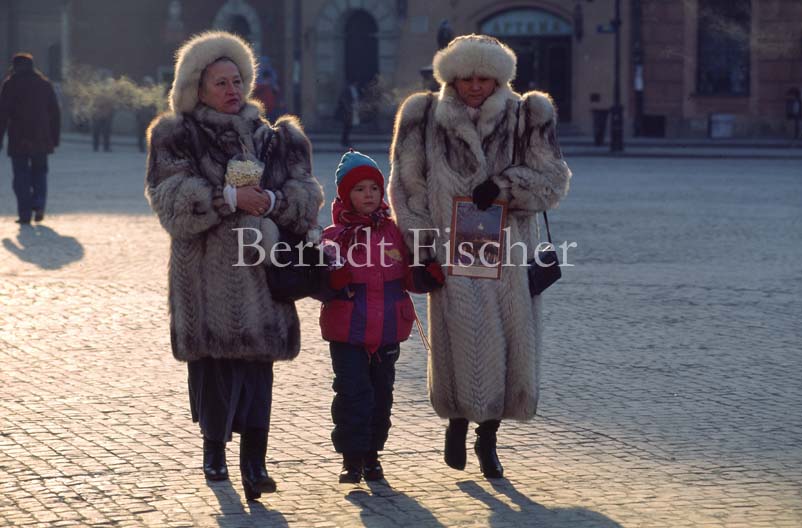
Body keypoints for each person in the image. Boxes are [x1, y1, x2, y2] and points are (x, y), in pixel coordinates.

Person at [144, 31, 323, 500]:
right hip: (205, 279)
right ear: (197, 88)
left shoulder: (273, 138)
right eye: (220, 82)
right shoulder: (176, 134)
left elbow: (306, 195)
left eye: (237, 80)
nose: (232, 90)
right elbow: (170, 201)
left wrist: (273, 201)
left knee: (258, 374)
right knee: (215, 373)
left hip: (262, 277)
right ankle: (214, 450)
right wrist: (227, 197)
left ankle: (256, 464)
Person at [388, 35, 572, 479]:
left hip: (507, 252)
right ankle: (456, 421)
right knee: (458, 339)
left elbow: (553, 180)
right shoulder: (424, 115)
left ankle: (488, 438)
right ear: (451, 78)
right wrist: (421, 250)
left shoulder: (527, 114)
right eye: (466, 78)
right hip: (449, 250)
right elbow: (407, 186)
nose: (475, 86)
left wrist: (505, 187)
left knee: (507, 343)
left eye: (484, 78)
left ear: (499, 79)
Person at [320, 150, 444, 484]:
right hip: (348, 331)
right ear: (345, 195)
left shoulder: (395, 233)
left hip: (388, 328)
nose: (369, 195)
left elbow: (409, 277)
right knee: (351, 393)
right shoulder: (333, 237)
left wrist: (428, 275)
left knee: (381, 395)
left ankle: (373, 455)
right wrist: (332, 281)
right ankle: (351, 459)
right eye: (359, 189)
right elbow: (318, 282)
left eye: (374, 188)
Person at [0, 53, 61, 224]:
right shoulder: (44, 84)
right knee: (40, 173)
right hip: (41, 137)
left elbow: (2, 114)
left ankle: (25, 213)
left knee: (21, 177)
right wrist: (54, 138)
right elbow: (55, 112)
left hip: (19, 137)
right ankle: (39, 204)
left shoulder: (10, 84)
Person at [335, 81, 359, 147]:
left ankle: (345, 140)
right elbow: (344, 100)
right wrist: (348, 107)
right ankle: (344, 141)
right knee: (347, 126)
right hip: (347, 111)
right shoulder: (347, 90)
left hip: (352, 110)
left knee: (349, 126)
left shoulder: (354, 89)